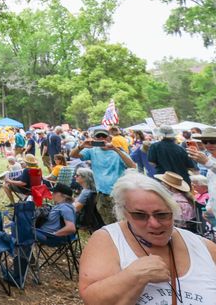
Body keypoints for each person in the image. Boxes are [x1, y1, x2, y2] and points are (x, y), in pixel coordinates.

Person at [78, 170, 216, 304]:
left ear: (173, 210)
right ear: (125, 213)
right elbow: (92, 300)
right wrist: (134, 276)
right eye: (140, 215)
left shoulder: (204, 247)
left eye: (162, 214)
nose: (154, 224)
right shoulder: (107, 241)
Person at [71, 127, 136, 225]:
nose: (101, 138)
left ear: (109, 138)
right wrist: (81, 146)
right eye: (98, 136)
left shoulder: (117, 151)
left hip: (117, 193)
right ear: (95, 138)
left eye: (104, 136)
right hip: (101, 193)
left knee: (122, 221)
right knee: (108, 222)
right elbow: (73, 155)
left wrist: (115, 149)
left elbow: (132, 166)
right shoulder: (92, 150)